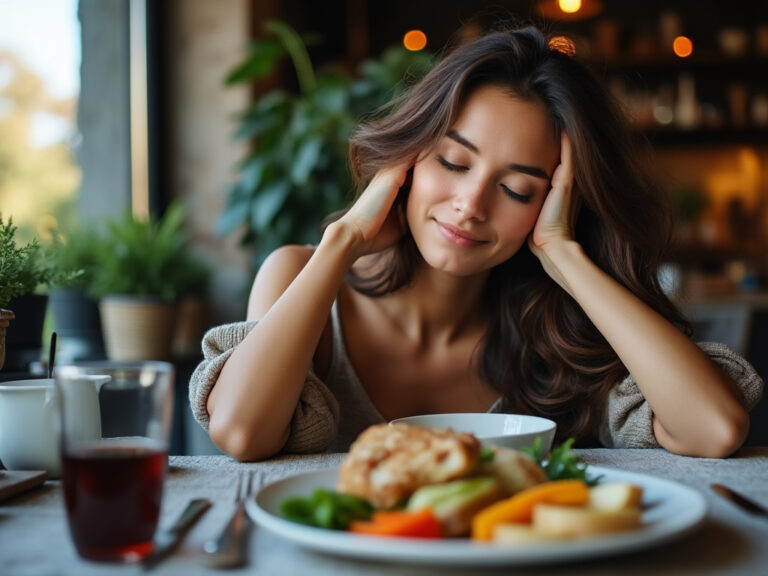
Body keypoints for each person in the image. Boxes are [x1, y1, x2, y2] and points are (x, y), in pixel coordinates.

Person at [190, 25, 763, 461]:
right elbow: (241, 433)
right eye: (453, 161)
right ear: (409, 157)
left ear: (556, 203)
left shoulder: (565, 326)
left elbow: (715, 428)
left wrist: (565, 257)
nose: (470, 203)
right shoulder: (300, 274)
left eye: (516, 189)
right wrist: (342, 242)